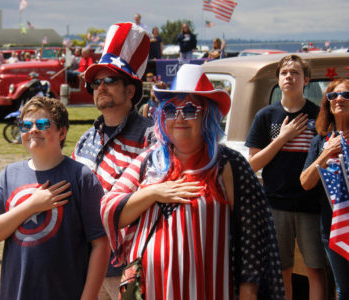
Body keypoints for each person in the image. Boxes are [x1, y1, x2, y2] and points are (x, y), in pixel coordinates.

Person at [101, 63, 285, 299]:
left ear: (207, 116)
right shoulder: (150, 160)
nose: (179, 118)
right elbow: (109, 209)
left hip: (209, 288)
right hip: (148, 289)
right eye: (170, 110)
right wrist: (154, 192)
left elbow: (253, 236)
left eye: (189, 110)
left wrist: (249, 290)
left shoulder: (228, 164)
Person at [0, 97, 109, 300]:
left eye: (42, 124)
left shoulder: (81, 177)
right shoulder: (9, 175)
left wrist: (89, 296)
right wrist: (31, 206)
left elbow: (100, 243)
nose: (33, 130)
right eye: (26, 125)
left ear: (62, 132)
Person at [73, 22, 155, 300]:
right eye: (96, 82)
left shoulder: (151, 138)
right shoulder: (86, 139)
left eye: (109, 81)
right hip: (86, 260)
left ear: (130, 91)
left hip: (129, 264)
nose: (100, 87)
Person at [245, 54, 327, 300]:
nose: (289, 77)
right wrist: (282, 138)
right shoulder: (265, 116)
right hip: (275, 204)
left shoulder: (319, 115)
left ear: (306, 80)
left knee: (316, 270)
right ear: (278, 79)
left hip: (312, 205)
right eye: (284, 73)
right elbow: (252, 164)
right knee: (282, 272)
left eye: (295, 73)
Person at [300, 78, 349, 300]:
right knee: (344, 288)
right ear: (327, 104)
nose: (339, 99)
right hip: (334, 225)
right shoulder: (320, 141)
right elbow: (306, 182)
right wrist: (325, 154)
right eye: (333, 96)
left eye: (346, 95)